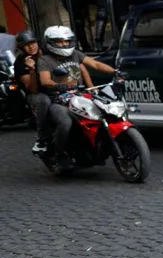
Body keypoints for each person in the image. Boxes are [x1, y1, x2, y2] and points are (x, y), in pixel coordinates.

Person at [37, 25, 117, 169]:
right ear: (50, 42)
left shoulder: (75, 54)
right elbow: (44, 80)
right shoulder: (45, 60)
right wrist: (58, 85)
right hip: (58, 100)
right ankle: (59, 154)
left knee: (104, 112)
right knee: (65, 123)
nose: (65, 44)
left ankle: (97, 148)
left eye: (67, 41)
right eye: (60, 41)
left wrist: (115, 72)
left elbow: (96, 64)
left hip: (80, 95)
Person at [12, 30, 58, 154]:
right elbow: (33, 89)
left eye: (32, 42)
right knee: (44, 101)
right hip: (37, 94)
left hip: (56, 88)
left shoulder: (49, 54)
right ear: (22, 47)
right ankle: (42, 137)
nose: (31, 46)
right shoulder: (20, 62)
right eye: (26, 44)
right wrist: (32, 70)